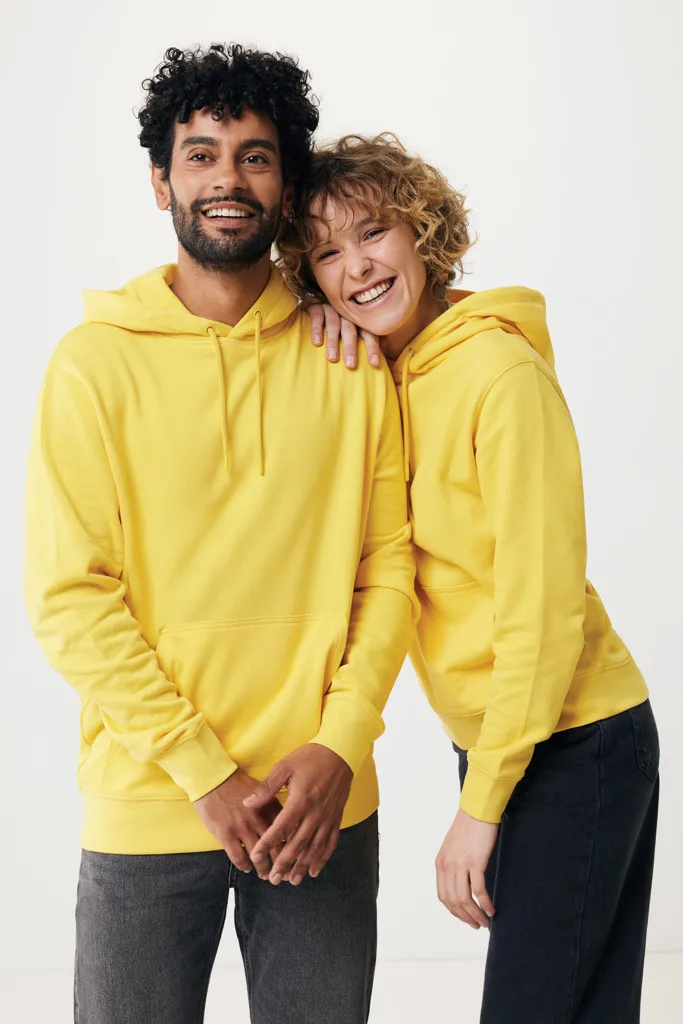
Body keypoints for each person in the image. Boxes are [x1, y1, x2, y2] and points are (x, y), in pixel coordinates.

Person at [24, 52, 415, 1024]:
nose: (227, 179)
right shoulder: (92, 366)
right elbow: (69, 599)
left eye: (255, 156)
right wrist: (203, 772)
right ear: (161, 181)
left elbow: (389, 569)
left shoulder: (349, 359)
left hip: (319, 803)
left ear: (285, 185)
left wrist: (340, 743)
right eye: (200, 155)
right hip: (149, 800)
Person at [276, 133, 660, 1023]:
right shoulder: (383, 375)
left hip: (572, 738)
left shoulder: (499, 374)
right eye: (325, 253)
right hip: (510, 739)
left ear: (421, 231)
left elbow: (542, 610)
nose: (355, 266)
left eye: (373, 233)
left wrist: (480, 807)